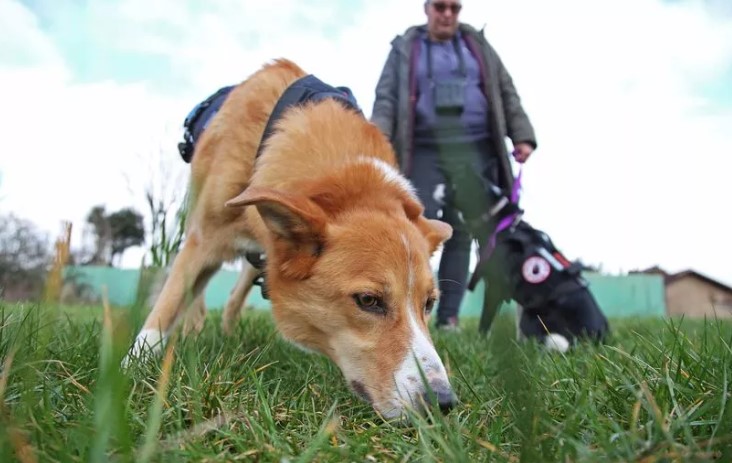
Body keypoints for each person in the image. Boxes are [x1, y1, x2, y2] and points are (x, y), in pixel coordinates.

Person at [370, 0, 538, 330]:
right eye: (440, 7)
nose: (447, 14)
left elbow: (506, 91)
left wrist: (523, 135)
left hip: (475, 149)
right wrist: (376, 140)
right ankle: (411, 313)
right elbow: (386, 98)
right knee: (418, 228)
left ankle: (448, 317)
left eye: (454, 8)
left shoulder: (478, 45)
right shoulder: (405, 48)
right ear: (427, 8)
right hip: (423, 151)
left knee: (461, 232)